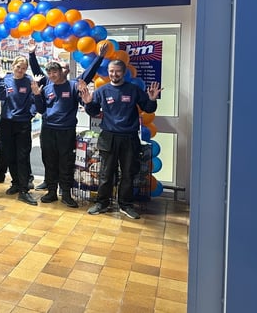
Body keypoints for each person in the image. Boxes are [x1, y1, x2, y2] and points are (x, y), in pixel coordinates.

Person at [80, 59, 161, 219]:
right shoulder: (101, 91)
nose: (114, 74)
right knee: (105, 173)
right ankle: (102, 203)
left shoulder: (134, 90)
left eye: (117, 71)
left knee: (128, 174)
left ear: (123, 72)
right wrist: (89, 103)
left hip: (129, 138)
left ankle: (126, 205)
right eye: (111, 71)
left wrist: (152, 99)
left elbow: (148, 108)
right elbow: (94, 111)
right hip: (108, 137)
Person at [31, 43, 105, 208]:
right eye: (49, 72)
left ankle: (65, 193)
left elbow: (88, 74)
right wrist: (37, 95)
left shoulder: (73, 85)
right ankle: (51, 192)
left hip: (66, 130)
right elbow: (41, 109)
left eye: (54, 71)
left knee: (66, 162)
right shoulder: (46, 87)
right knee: (49, 161)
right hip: (48, 130)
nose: (51, 75)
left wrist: (100, 58)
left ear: (61, 71)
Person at [0, 56, 38, 205]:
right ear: (13, 66)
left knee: (22, 156)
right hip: (6, 122)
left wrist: (29, 115)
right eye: (18, 67)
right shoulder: (6, 79)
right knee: (10, 155)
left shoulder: (29, 80)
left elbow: (34, 101)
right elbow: (1, 96)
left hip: (22, 123)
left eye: (23, 68)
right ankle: (16, 183)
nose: (20, 70)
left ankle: (24, 190)